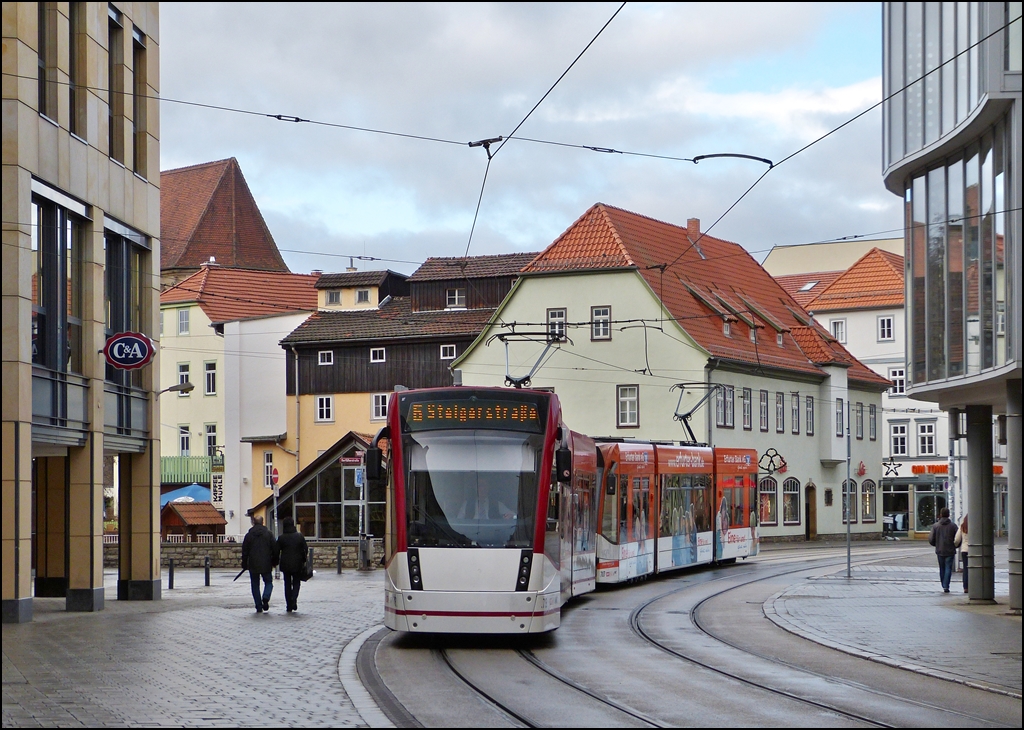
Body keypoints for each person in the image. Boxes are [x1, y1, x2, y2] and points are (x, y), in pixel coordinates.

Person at [241, 515, 279, 613]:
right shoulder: (269, 534)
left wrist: (245, 563)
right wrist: (274, 561)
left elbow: (245, 551)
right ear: (263, 522)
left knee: (255, 585)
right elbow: (275, 549)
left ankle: (258, 606)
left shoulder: (249, 535)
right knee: (268, 582)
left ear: (253, 522)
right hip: (266, 563)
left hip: (253, 564)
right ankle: (266, 596)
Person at [277, 516, 308, 614]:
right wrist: (303, 559)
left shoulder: (281, 538)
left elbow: (276, 550)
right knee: (296, 582)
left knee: (287, 584)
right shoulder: (299, 536)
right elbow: (305, 549)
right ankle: (294, 598)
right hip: (297, 563)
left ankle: (288, 605)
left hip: (285, 564)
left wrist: (275, 561)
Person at [928, 507, 958, 593]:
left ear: (940, 515)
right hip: (950, 550)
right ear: (948, 515)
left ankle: (943, 584)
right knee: (948, 567)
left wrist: (936, 544)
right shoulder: (953, 526)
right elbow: (957, 538)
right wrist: (955, 545)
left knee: (942, 568)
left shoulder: (936, 526)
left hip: (940, 550)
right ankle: (946, 585)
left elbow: (931, 539)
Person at [955, 514, 968, 594]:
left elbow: (957, 539)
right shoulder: (977, 527)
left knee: (966, 569)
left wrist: (955, 545)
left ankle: (966, 587)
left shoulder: (962, 527)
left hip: (965, 550)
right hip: (975, 550)